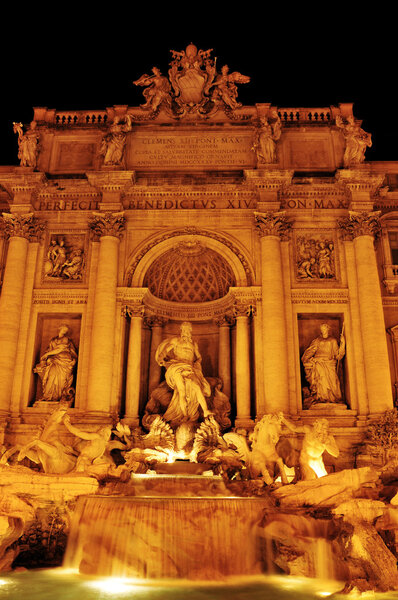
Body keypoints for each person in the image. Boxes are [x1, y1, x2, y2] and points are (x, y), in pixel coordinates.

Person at [155, 322, 212, 425]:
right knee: (182, 391)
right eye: (184, 329)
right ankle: (185, 415)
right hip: (177, 367)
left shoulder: (193, 344)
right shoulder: (176, 341)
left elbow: (199, 357)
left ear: (190, 331)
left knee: (197, 387)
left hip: (189, 367)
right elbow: (165, 350)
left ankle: (206, 410)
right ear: (181, 330)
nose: (186, 331)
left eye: (188, 329)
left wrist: (197, 363)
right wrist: (161, 357)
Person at [302, 323, 345, 404]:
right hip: (318, 362)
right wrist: (306, 358)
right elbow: (311, 350)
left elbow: (337, 355)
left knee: (333, 381)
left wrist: (342, 344)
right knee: (321, 380)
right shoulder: (317, 340)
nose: (323, 330)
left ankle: (332, 398)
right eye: (322, 329)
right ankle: (321, 398)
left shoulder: (333, 340)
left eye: (324, 328)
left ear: (328, 329)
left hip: (329, 363)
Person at [34, 325, 77, 402]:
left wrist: (47, 355)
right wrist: (47, 357)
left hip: (65, 361)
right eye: (64, 329)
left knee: (62, 379)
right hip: (54, 360)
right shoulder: (53, 340)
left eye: (66, 330)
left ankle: (60, 397)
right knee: (51, 376)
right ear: (60, 329)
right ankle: (48, 396)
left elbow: (60, 349)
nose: (65, 331)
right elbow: (49, 350)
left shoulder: (66, 339)